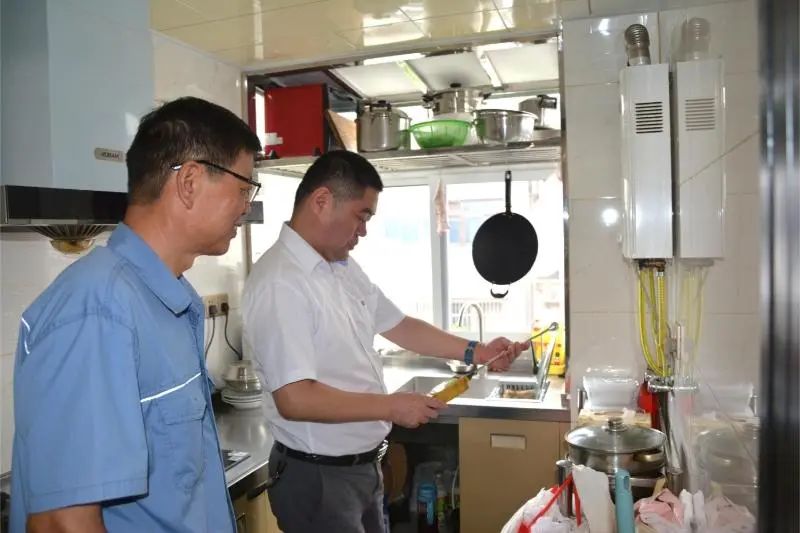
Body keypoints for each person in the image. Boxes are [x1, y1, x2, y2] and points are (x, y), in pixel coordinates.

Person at [242, 150, 530, 533]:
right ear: (322, 201)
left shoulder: (339, 267)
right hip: (320, 480)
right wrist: (392, 406)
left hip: (361, 470)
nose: (363, 231)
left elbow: (399, 325)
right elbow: (295, 399)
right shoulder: (282, 281)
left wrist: (477, 351)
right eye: (361, 216)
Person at [9, 96, 262, 532]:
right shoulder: (98, 311)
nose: (246, 205)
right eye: (244, 188)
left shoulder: (165, 301)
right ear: (190, 182)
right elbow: (61, 522)